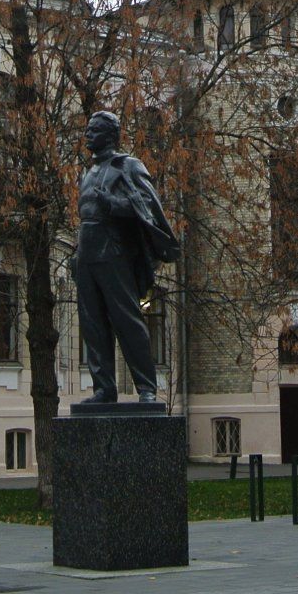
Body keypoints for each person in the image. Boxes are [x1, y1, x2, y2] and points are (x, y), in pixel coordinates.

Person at [74, 110, 180, 406]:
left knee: (126, 319)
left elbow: (146, 206)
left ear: (108, 135)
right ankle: (104, 388)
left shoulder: (128, 166)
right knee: (92, 323)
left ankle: (146, 387)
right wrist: (77, 251)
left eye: (93, 131)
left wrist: (114, 204)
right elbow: (85, 216)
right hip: (87, 252)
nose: (87, 136)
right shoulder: (88, 173)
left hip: (114, 251)